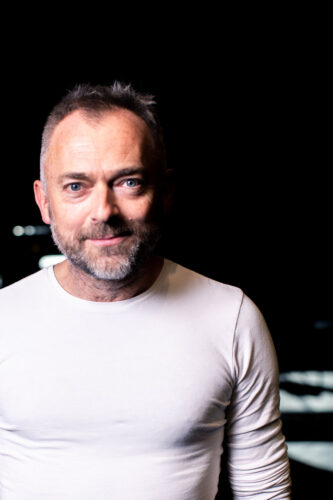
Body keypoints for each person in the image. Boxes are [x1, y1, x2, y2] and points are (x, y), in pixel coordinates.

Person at [0, 83, 291, 499]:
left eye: (128, 182)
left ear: (166, 192)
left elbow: (264, 491)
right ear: (44, 201)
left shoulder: (231, 317)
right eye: (76, 187)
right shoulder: (2, 320)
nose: (103, 211)